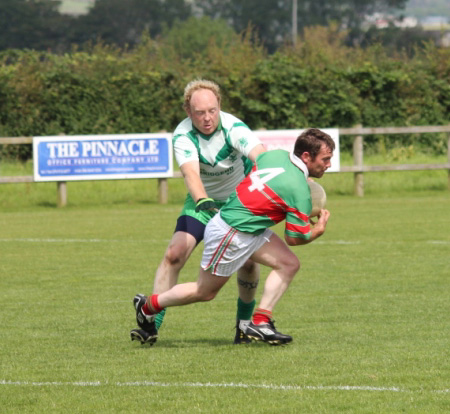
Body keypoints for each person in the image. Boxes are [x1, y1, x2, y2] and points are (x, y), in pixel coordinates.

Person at [131, 128, 335, 346]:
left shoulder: (277, 155)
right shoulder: (298, 190)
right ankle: (148, 306)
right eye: (325, 159)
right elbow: (295, 238)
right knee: (205, 291)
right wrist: (317, 230)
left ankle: (260, 321)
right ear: (306, 156)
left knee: (289, 263)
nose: (329, 164)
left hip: (247, 228)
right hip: (231, 233)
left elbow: (260, 171)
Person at [130, 79, 266, 345]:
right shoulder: (183, 135)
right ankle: (151, 324)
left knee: (249, 262)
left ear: (220, 107)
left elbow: (260, 154)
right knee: (174, 254)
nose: (207, 118)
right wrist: (203, 200)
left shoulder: (234, 127)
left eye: (212, 111)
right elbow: (191, 173)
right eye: (200, 113)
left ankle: (244, 326)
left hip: (238, 205)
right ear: (188, 111)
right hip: (201, 204)